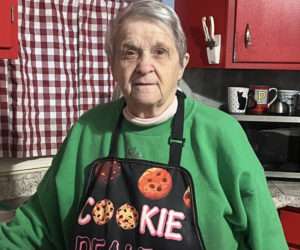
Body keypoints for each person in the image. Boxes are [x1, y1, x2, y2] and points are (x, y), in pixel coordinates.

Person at [0, 1, 288, 249]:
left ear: (182, 64)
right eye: (130, 52)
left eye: (160, 52)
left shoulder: (221, 134)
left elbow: (267, 239)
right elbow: (38, 226)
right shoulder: (88, 130)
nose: (144, 66)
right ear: (112, 64)